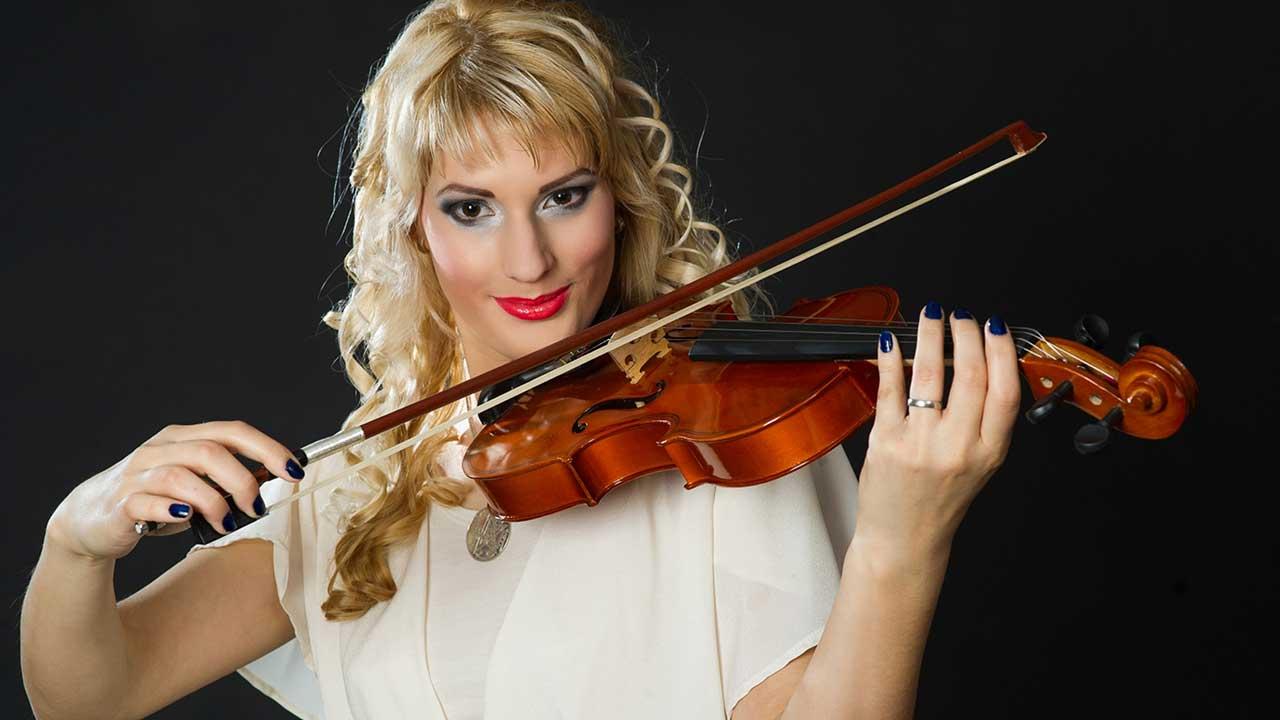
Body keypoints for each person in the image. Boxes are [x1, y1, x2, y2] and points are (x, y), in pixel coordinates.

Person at [20, 1, 1021, 718]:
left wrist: (899, 545)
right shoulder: (357, 490)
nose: (529, 260)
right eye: (471, 208)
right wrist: (77, 540)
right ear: (412, 229)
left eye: (562, 196)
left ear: (619, 198)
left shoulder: (721, 446)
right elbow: (91, 696)